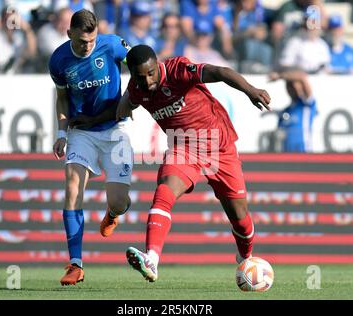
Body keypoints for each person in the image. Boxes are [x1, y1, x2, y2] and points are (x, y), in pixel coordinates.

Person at [116, 44, 271, 282]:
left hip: (220, 147)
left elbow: (219, 72)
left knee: (240, 218)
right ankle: (152, 259)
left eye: (150, 73)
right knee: (165, 190)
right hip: (183, 147)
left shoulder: (178, 70)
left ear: (157, 65)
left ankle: (245, 258)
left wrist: (250, 90)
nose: (147, 81)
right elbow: (127, 102)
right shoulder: (137, 89)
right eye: (140, 77)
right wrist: (123, 108)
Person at [48, 9, 133, 286]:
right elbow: (62, 98)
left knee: (119, 202)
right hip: (81, 131)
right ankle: (75, 264)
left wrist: (133, 98)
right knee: (72, 185)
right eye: (83, 41)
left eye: (92, 40)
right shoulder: (58, 61)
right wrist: (61, 132)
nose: (89, 46)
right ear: (69, 33)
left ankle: (113, 214)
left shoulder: (112, 44)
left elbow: (141, 64)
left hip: (114, 130)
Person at [269, 69, 317, 152]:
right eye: (289, 85)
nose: (292, 88)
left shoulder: (306, 104)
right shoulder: (285, 111)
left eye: (294, 84)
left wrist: (280, 76)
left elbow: (302, 77)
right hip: (288, 155)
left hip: (304, 151)